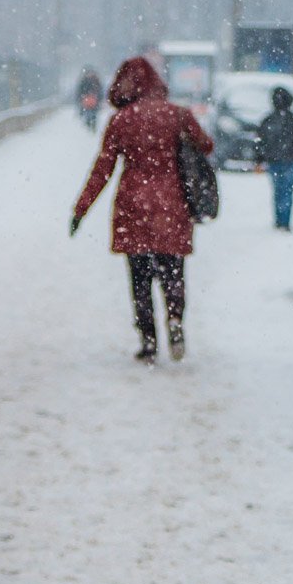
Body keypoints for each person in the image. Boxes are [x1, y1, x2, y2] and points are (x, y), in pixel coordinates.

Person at [70, 56, 214, 365]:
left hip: (133, 206)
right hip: (172, 205)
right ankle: (175, 318)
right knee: (173, 271)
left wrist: (81, 209)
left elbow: (103, 170)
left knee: (140, 278)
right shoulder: (177, 115)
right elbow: (206, 145)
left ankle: (148, 342)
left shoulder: (121, 121)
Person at [253, 86, 293, 231]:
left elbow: (259, 142)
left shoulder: (267, 120)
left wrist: (258, 160)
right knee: (287, 191)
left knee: (277, 190)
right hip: (292, 161)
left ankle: (278, 219)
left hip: (274, 161)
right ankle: (285, 221)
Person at [75, 67, 102, 131]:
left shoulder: (88, 81)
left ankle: (91, 123)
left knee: (92, 113)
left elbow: (100, 90)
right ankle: (90, 123)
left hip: (91, 99)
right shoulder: (95, 80)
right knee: (90, 112)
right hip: (90, 99)